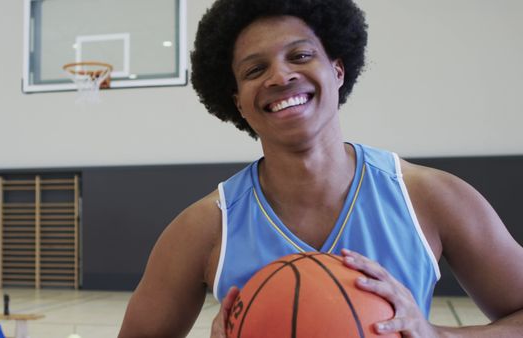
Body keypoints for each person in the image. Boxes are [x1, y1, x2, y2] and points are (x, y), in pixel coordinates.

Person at [118, 0, 523, 336]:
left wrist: (436, 335)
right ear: (238, 102)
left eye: (301, 55)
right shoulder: (204, 229)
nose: (281, 75)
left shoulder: (430, 197)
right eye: (254, 70)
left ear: (337, 70)